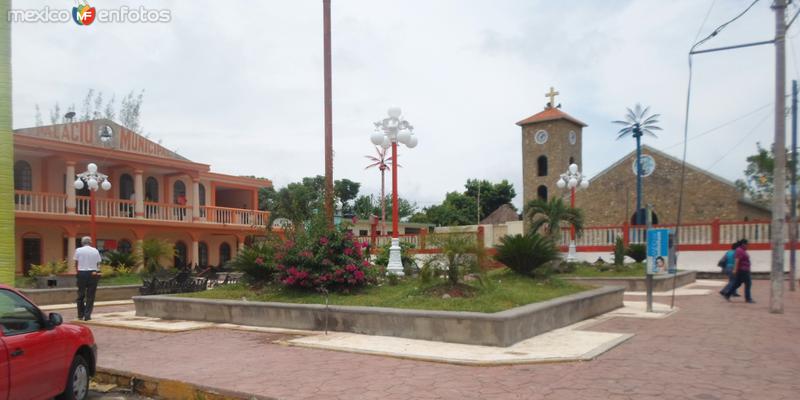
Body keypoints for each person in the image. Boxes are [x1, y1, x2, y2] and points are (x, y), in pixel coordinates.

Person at [74, 236, 102, 321]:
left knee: (81, 294)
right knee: (90, 295)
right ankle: (87, 315)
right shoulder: (95, 250)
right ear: (90, 242)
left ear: (82, 242)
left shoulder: (78, 250)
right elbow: (98, 263)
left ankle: (80, 314)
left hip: (82, 273)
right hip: (93, 273)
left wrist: (78, 271)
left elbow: (76, 262)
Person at [723, 239, 755, 303]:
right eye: (747, 244)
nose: (748, 246)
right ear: (743, 244)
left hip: (744, 269)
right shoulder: (739, 250)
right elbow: (737, 260)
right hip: (743, 270)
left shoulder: (742, 250)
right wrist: (735, 269)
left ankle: (727, 294)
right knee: (748, 284)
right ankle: (748, 298)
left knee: (737, 284)